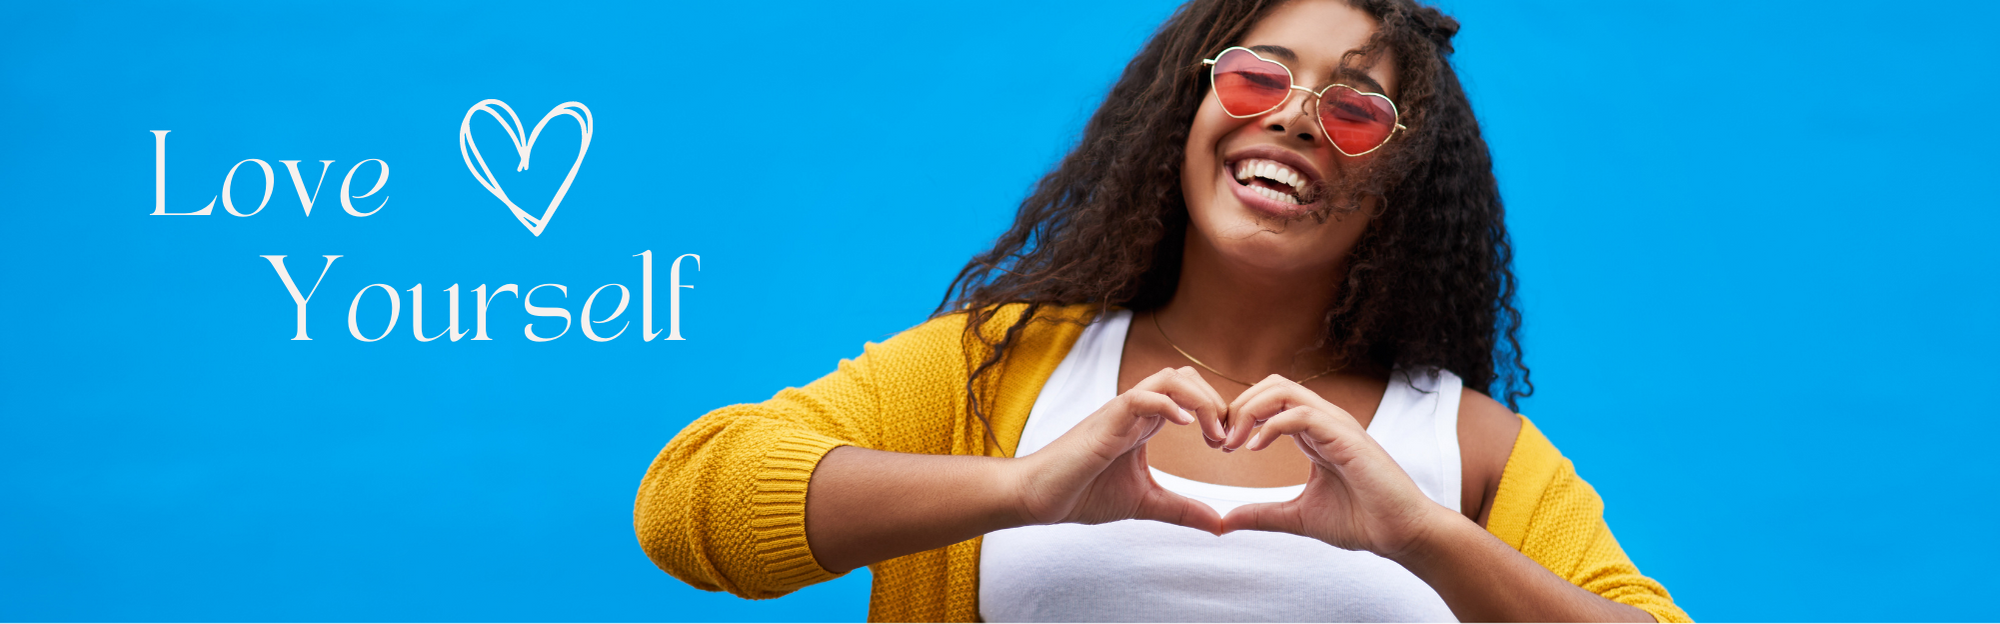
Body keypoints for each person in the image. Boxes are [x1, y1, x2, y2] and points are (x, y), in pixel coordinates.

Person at [635, 0, 1688, 621]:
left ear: (1406, 181)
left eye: (1356, 110)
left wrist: (1419, 536)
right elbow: (690, 504)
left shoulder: (1467, 449)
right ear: (1185, 112)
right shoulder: (995, 373)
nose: (1293, 117)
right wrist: (1025, 488)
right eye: (1254, 79)